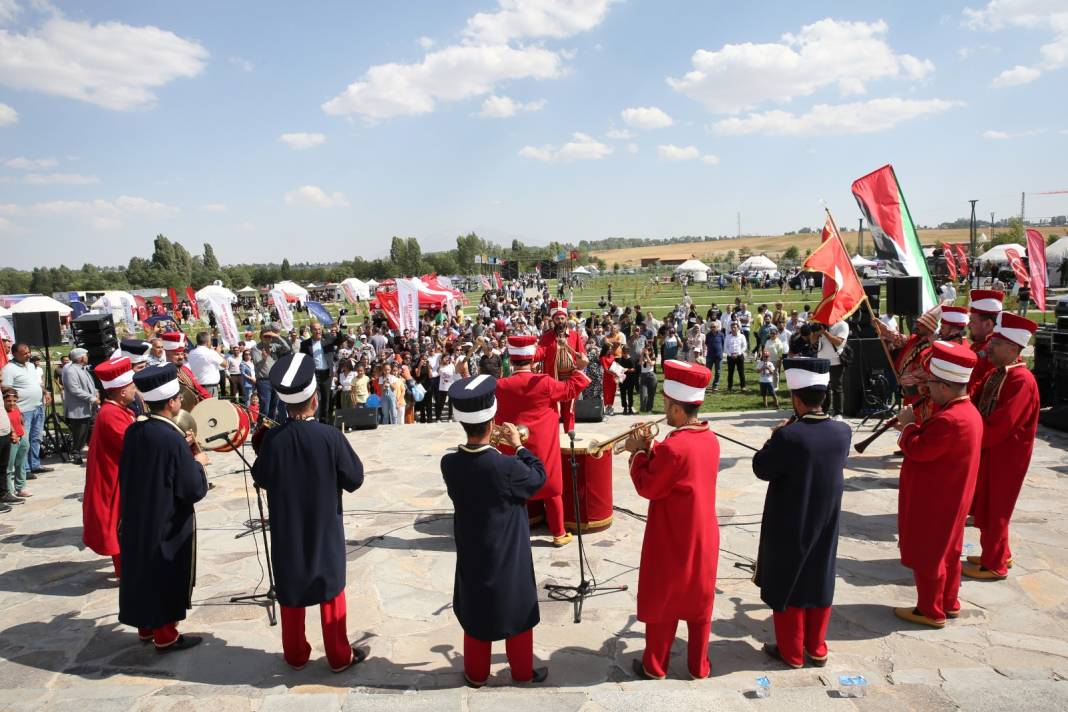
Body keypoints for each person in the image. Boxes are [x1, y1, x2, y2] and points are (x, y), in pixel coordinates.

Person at [252, 353, 368, 672]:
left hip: (288, 530)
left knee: (290, 590)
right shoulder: (330, 436)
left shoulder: (273, 440)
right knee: (330, 588)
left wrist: (263, 445)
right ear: (314, 400)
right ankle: (338, 655)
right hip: (324, 527)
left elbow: (259, 477)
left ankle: (295, 654)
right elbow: (355, 479)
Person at [441, 375, 550, 687]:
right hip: (509, 550)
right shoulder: (508, 466)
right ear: (492, 420)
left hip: (473, 548)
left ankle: (476, 674)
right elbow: (538, 477)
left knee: (476, 608)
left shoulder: (449, 464)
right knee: (517, 603)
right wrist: (518, 446)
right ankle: (521, 672)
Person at [623, 360, 718, 680]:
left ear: (677, 410)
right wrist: (652, 446)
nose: (663, 410)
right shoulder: (709, 438)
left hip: (672, 533)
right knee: (699, 599)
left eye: (666, 405)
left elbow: (649, 486)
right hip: (703, 533)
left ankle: (655, 665)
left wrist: (637, 453)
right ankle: (698, 665)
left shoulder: (674, 448)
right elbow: (680, 466)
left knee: (663, 595)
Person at [752, 358, 850, 668]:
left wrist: (776, 435)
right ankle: (816, 647)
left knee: (788, 580)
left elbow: (761, 467)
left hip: (790, 520)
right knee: (819, 577)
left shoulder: (789, 436)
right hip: (826, 519)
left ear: (796, 398)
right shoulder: (842, 432)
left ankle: (791, 651)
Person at [118, 363, 209, 651]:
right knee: (164, 572)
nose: (181, 401)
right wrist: (197, 461)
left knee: (142, 570)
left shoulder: (136, 430)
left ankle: (146, 626)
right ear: (171, 402)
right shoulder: (171, 439)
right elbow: (191, 488)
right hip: (166, 519)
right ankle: (165, 634)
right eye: (179, 398)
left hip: (137, 514)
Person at [892, 341, 983, 628]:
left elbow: (918, 448)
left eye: (931, 383)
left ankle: (930, 610)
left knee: (929, 553)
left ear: (944, 386)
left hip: (936, 499)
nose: (927, 389)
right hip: (952, 495)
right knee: (950, 551)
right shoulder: (965, 412)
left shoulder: (950, 421)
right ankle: (949, 602)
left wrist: (908, 426)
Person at [963, 313, 1039, 581]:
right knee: (987, 503)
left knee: (996, 508)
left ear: (1013, 349)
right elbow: (972, 398)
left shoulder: (1021, 381)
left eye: (996, 343)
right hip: (993, 452)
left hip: (1007, 456)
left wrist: (970, 437)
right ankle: (999, 552)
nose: (989, 347)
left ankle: (994, 564)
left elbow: (1001, 426)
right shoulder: (999, 373)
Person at [495, 335, 590, 547]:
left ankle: (516, 528)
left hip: (512, 444)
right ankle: (558, 533)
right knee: (552, 486)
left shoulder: (501, 385)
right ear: (533, 359)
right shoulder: (544, 382)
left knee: (514, 484)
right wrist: (580, 369)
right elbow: (570, 390)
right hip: (542, 444)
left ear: (511, 360)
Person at [81, 358, 136, 578]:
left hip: (119, 477)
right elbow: (132, 444)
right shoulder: (111, 414)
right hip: (114, 481)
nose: (135, 390)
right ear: (122, 391)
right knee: (121, 526)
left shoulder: (117, 410)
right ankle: (127, 571)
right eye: (132, 387)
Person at [534, 301, 586, 433]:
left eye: (562, 318)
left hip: (570, 377)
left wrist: (581, 357)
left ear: (566, 319)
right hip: (553, 378)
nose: (560, 321)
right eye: (557, 318)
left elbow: (582, 354)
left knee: (569, 408)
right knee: (553, 408)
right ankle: (553, 434)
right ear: (553, 320)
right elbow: (540, 352)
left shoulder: (574, 336)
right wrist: (531, 354)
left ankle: (570, 433)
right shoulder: (546, 337)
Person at [1, 342, 52, 476]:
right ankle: (25, 470)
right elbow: (6, 389)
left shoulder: (30, 366)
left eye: (28, 352)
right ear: (14, 354)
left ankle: (35, 464)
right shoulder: (9, 369)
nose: (28, 355)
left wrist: (45, 392)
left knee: (36, 438)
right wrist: (14, 408)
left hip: (38, 406)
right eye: (24, 353)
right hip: (23, 410)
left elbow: (35, 383)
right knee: (25, 441)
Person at [61, 347, 98, 465]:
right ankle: (76, 452)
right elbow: (74, 389)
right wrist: (91, 398)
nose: (87, 357)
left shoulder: (82, 369)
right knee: (80, 433)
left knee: (91, 430)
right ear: (81, 357)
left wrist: (95, 391)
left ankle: (93, 450)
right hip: (78, 409)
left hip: (89, 407)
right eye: (86, 355)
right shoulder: (71, 371)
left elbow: (88, 384)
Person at [299, 322, 339, 423]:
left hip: (326, 374)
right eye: (315, 329)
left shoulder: (328, 340)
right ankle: (314, 420)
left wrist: (337, 330)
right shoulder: (305, 344)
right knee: (314, 398)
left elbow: (340, 339)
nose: (318, 331)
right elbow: (303, 360)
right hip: (314, 374)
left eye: (319, 329)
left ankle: (325, 421)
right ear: (311, 331)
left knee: (326, 398)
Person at [966, 289, 1003, 397]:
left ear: (987, 324)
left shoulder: (992, 351)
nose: (968, 325)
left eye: (972, 321)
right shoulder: (979, 345)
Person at [812, 319, 849, 418]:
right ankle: (824, 412)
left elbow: (838, 342)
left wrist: (825, 332)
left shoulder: (842, 325)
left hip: (835, 361)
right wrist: (816, 332)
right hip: (821, 361)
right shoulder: (821, 323)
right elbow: (812, 341)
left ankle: (838, 413)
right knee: (823, 388)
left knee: (837, 388)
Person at [3, 387, 29, 502]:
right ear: (3, 401)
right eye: (8, 401)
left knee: (21, 464)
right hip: (12, 439)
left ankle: (20, 487)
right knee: (9, 467)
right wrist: (14, 434)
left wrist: (24, 434)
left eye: (14, 400)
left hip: (22, 437)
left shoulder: (16, 407)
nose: (12, 403)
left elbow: (21, 420)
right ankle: (9, 490)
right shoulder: (3, 411)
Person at [186, 332, 225, 398]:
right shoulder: (211, 353)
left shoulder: (191, 353)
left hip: (196, 387)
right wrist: (218, 353)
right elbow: (225, 364)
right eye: (210, 340)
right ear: (207, 341)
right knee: (211, 407)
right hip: (209, 387)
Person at [724, 322, 747, 393]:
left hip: (739, 356)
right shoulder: (728, 336)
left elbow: (744, 346)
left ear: (738, 328)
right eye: (732, 327)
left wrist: (739, 354)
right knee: (730, 373)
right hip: (730, 357)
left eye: (735, 327)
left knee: (741, 372)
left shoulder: (742, 336)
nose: (734, 329)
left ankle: (743, 387)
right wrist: (730, 354)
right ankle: (729, 387)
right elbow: (725, 347)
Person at [599, 342, 617, 416]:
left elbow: (615, 366)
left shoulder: (612, 357)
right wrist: (614, 373)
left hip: (613, 377)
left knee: (613, 392)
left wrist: (618, 372)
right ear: (605, 349)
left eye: (611, 349)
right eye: (609, 349)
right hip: (607, 377)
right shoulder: (602, 358)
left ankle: (610, 407)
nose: (611, 350)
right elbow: (606, 369)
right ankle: (607, 407)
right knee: (607, 393)